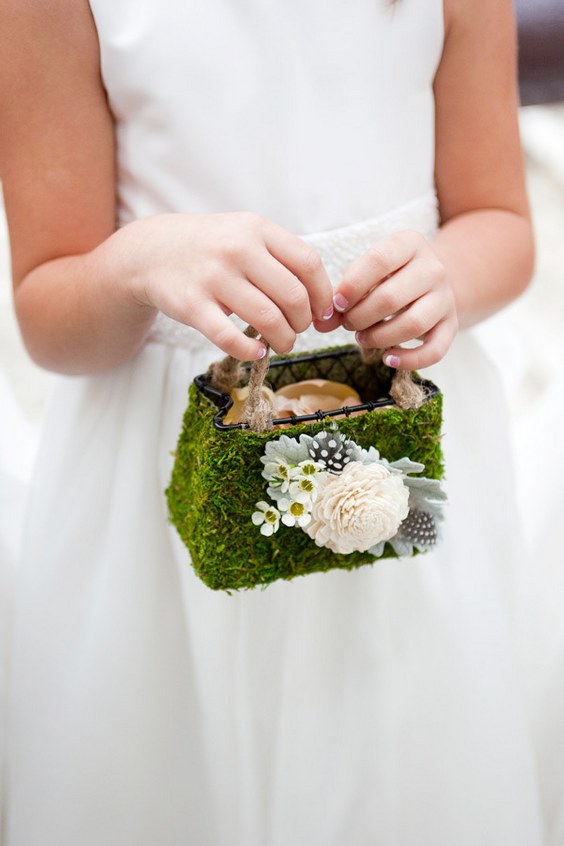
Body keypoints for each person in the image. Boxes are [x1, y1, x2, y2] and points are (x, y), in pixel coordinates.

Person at [0, 0, 545, 843]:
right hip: (159, 466)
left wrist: (445, 278)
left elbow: (501, 224)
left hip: (391, 414)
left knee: (402, 756)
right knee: (171, 772)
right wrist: (137, 263)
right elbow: (47, 311)